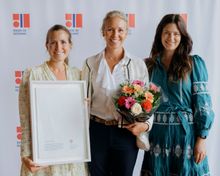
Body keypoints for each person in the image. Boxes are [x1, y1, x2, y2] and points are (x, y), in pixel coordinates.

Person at [81, 10, 154, 176]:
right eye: (110, 29)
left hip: (125, 133)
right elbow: (82, 101)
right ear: (103, 32)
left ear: (126, 33)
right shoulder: (90, 63)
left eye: (120, 30)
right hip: (96, 131)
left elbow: (148, 102)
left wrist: (145, 125)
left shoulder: (138, 65)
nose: (115, 34)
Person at [141, 14, 214, 176]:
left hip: (185, 136)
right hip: (157, 137)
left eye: (176, 34)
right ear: (160, 34)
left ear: (182, 37)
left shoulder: (193, 63)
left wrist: (201, 139)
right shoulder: (148, 65)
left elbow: (203, 104)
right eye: (166, 32)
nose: (171, 37)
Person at [19, 24, 88, 176]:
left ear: (70, 45)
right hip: (42, 156)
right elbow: (24, 118)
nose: (59, 47)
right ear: (47, 46)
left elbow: (82, 119)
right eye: (53, 42)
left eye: (63, 42)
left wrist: (86, 107)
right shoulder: (33, 75)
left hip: (72, 156)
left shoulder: (79, 76)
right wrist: (25, 155)